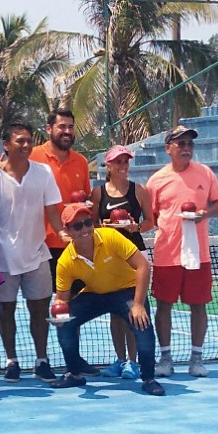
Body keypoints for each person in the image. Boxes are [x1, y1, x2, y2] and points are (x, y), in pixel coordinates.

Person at [47, 204, 165, 396]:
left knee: (142, 324)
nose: (84, 229)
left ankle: (149, 379)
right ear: (67, 231)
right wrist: (58, 312)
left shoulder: (110, 237)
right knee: (65, 323)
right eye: (77, 226)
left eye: (87, 223)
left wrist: (138, 304)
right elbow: (62, 299)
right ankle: (74, 374)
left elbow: (143, 266)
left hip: (127, 292)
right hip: (95, 295)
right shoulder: (65, 262)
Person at [0, 121, 63, 383]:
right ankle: (11, 361)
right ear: (6, 145)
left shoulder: (44, 173)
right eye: (20, 141)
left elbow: (53, 212)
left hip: (37, 255)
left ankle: (42, 361)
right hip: (1, 257)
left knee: (39, 310)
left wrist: (64, 235)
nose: (26, 145)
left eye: (29, 140)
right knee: (6, 310)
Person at [147, 126, 218, 378]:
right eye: (180, 144)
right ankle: (165, 358)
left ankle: (196, 359)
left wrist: (206, 213)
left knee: (198, 306)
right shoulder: (156, 180)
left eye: (190, 144)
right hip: (167, 255)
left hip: (198, 255)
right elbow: (152, 216)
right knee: (164, 306)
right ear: (168, 148)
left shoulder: (205, 173)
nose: (186, 148)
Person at [91, 145, 154, 380]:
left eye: (126, 161)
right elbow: (92, 225)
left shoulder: (139, 191)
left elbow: (150, 221)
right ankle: (119, 359)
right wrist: (104, 227)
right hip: (109, 257)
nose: (123, 166)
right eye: (118, 162)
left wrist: (136, 227)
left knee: (134, 309)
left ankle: (133, 361)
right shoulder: (98, 193)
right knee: (115, 312)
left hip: (135, 256)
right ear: (108, 166)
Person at [30, 109, 91, 298]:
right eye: (62, 126)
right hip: (42, 245)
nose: (67, 131)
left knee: (75, 301)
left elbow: (86, 200)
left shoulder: (81, 162)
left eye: (70, 127)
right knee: (41, 302)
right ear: (49, 129)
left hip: (75, 243)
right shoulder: (32, 156)